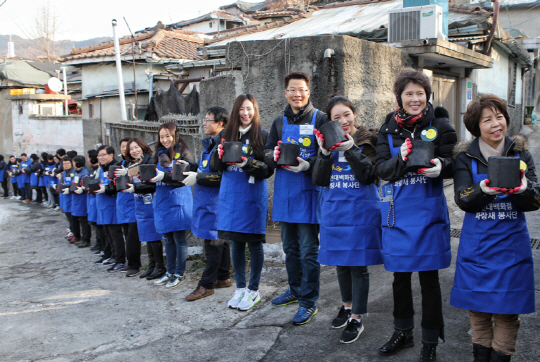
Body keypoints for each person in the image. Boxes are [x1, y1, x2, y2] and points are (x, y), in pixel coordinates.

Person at [375, 68, 457, 361]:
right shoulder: (388, 128)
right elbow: (380, 169)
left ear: (427, 96)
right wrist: (399, 158)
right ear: (399, 97)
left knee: (429, 280)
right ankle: (403, 331)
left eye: (419, 93)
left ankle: (430, 341)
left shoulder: (440, 125)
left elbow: (453, 160)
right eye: (408, 93)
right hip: (398, 212)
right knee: (400, 278)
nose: (414, 99)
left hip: (428, 211)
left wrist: (441, 167)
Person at [451, 94, 539, 362]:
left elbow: (536, 198)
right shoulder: (465, 156)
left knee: (506, 312)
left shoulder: (520, 152)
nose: (496, 124)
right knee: (478, 311)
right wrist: (483, 190)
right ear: (476, 127)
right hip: (477, 248)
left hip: (511, 246)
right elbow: (462, 198)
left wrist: (524, 190)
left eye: (499, 117)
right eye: (487, 119)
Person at [312, 94, 382, 344]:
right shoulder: (326, 143)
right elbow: (319, 180)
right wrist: (322, 153)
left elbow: (369, 175)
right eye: (336, 117)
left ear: (354, 114)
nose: (342, 120)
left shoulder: (368, 140)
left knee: (358, 265)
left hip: (361, 211)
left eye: (347, 114)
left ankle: (357, 317)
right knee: (341, 262)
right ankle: (346, 305)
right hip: (335, 211)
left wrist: (351, 149)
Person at [265, 71, 327, 325]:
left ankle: (309, 301)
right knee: (290, 249)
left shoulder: (320, 118)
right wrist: (274, 154)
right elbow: (267, 151)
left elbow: (327, 154)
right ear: (286, 92)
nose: (297, 94)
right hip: (285, 192)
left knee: (308, 251)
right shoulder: (279, 122)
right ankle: (295, 290)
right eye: (292, 89)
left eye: (302, 89)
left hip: (308, 192)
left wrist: (307, 164)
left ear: (308, 92)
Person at [211, 94, 273, 311]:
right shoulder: (225, 136)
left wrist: (248, 163)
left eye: (249, 109)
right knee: (236, 243)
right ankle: (240, 288)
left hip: (252, 196)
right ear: (236, 112)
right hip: (230, 196)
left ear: (255, 111)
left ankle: (253, 290)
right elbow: (214, 167)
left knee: (254, 243)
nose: (245, 114)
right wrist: (218, 156)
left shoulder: (263, 136)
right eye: (241, 109)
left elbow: (267, 170)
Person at [184, 107, 232, 301]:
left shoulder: (223, 145)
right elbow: (206, 167)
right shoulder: (211, 144)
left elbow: (222, 176)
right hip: (207, 201)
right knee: (221, 241)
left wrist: (198, 177)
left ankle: (206, 285)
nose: (204, 123)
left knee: (213, 243)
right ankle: (223, 277)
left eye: (207, 120)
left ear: (220, 124)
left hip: (216, 202)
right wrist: (191, 167)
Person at [148, 122, 195, 288]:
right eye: (161, 137)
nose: (165, 140)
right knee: (167, 239)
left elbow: (182, 177)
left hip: (178, 201)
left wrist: (163, 177)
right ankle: (170, 271)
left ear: (175, 135)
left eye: (167, 136)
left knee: (179, 239)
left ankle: (179, 273)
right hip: (162, 201)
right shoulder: (159, 153)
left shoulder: (183, 152)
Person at [122, 137, 165, 279]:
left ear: (142, 146)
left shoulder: (150, 160)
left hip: (150, 201)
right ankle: (152, 265)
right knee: (146, 235)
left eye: (136, 147)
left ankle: (160, 266)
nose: (134, 151)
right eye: (131, 149)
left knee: (153, 235)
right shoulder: (133, 164)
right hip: (140, 202)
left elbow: (152, 183)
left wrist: (135, 187)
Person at [93, 145, 125, 272]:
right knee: (107, 233)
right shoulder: (101, 169)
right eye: (99, 155)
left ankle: (120, 260)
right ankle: (111, 255)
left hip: (112, 206)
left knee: (115, 234)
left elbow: (116, 186)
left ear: (111, 155)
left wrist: (106, 189)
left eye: (103, 155)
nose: (100, 157)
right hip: (102, 205)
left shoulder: (115, 168)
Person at [112, 138, 141, 277]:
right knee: (126, 235)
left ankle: (134, 265)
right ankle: (130, 263)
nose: (124, 149)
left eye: (127, 147)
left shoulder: (136, 164)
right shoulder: (120, 165)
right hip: (123, 204)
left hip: (135, 203)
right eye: (123, 147)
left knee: (133, 237)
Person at [69, 155, 91, 248]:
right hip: (75, 199)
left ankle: (86, 239)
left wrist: (79, 188)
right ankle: (78, 236)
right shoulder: (75, 172)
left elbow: (83, 184)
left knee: (84, 221)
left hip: (82, 200)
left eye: (73, 162)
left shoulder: (85, 172)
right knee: (75, 219)